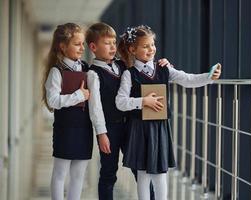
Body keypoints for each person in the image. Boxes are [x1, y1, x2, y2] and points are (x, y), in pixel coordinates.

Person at [116, 25, 221, 200]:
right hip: (140, 128)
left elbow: (188, 79)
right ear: (133, 49)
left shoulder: (164, 69)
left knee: (160, 174)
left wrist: (209, 77)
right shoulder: (129, 74)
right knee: (143, 175)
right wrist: (143, 102)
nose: (151, 49)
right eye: (145, 46)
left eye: (152, 44)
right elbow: (120, 102)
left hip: (160, 128)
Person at [85, 22, 169, 200]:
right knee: (109, 172)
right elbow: (96, 107)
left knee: (140, 170)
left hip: (132, 126)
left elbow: (144, 65)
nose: (112, 46)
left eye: (114, 42)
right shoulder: (94, 73)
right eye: (107, 43)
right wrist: (101, 133)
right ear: (93, 47)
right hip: (110, 130)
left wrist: (163, 62)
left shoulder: (123, 66)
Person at [42, 23, 93, 200]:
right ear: (63, 47)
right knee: (60, 173)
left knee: (79, 175)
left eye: (83, 44)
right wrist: (79, 95)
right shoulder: (57, 71)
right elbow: (53, 101)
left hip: (84, 128)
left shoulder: (86, 68)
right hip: (65, 128)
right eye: (77, 44)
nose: (82, 48)